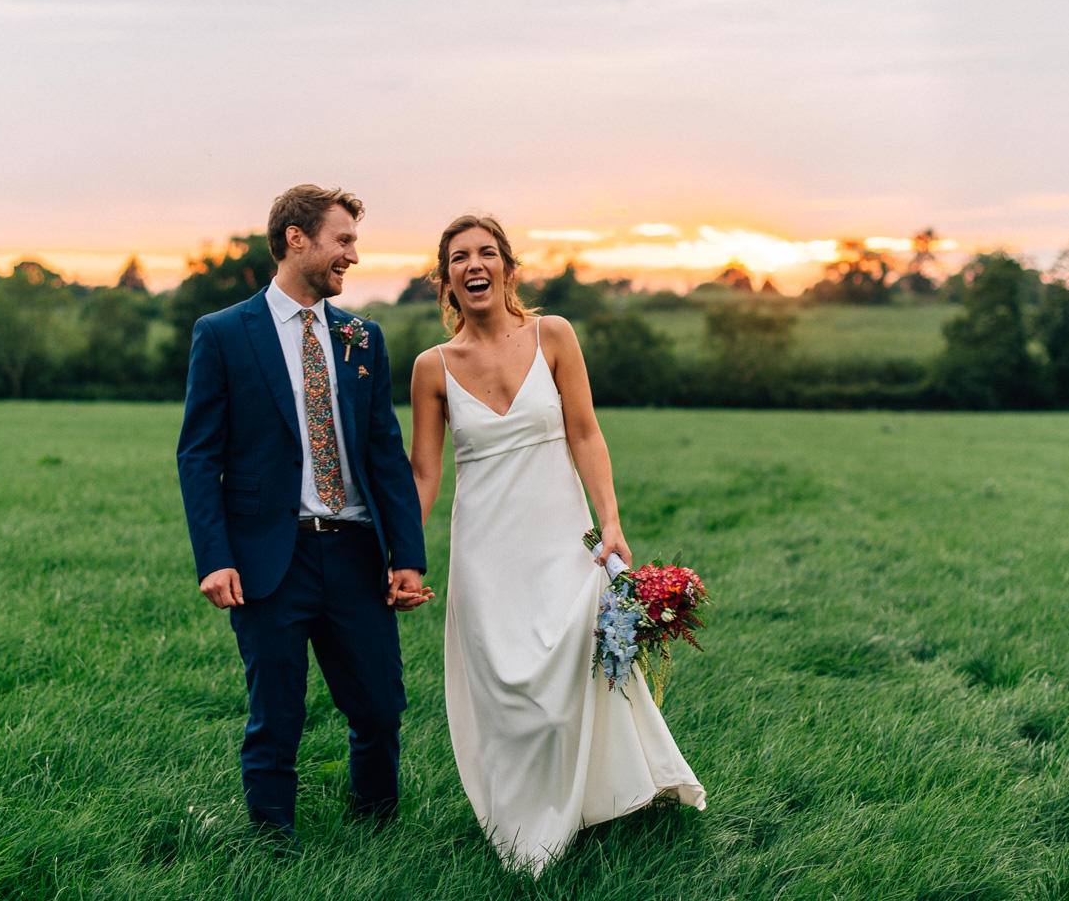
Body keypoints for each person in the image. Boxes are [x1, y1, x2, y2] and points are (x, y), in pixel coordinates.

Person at [409, 214, 704, 875]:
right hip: (485, 552)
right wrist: (405, 556)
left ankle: (598, 801)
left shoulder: (555, 336)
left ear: (509, 269)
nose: (474, 264)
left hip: (559, 537)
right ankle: (523, 827)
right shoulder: (433, 368)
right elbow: (424, 471)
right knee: (510, 691)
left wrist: (613, 524)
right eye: (460, 257)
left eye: (487, 253)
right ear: (447, 280)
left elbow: (586, 434)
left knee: (571, 675)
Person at [176, 184, 433, 841]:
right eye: (342, 239)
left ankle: (378, 833)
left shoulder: (361, 338)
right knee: (277, 715)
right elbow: (199, 456)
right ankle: (272, 850)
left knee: (379, 708)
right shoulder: (224, 334)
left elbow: (384, 453)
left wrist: (407, 556)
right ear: (298, 239)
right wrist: (215, 558)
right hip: (269, 557)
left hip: (353, 552)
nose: (352, 254)